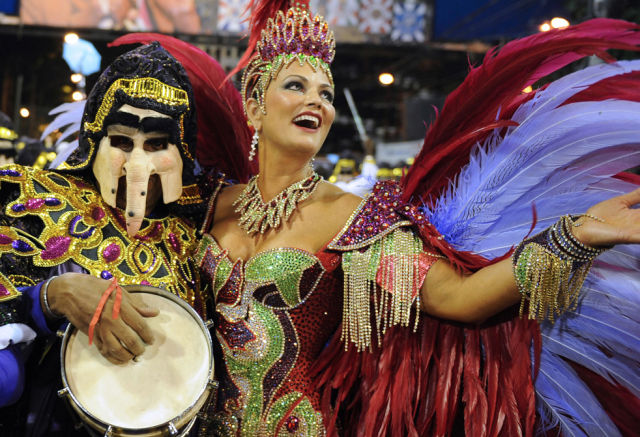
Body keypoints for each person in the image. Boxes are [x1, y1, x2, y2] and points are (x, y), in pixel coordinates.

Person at [194, 2, 640, 436]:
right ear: (255, 108)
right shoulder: (209, 203)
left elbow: (460, 298)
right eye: (296, 86)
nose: (317, 102)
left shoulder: (351, 217)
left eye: (326, 93)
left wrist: (575, 235)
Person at [0, 38, 249, 435]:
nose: (138, 162)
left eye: (157, 144)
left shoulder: (202, 227)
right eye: (121, 141)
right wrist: (51, 297)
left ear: (182, 152)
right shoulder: (35, 207)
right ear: (94, 140)